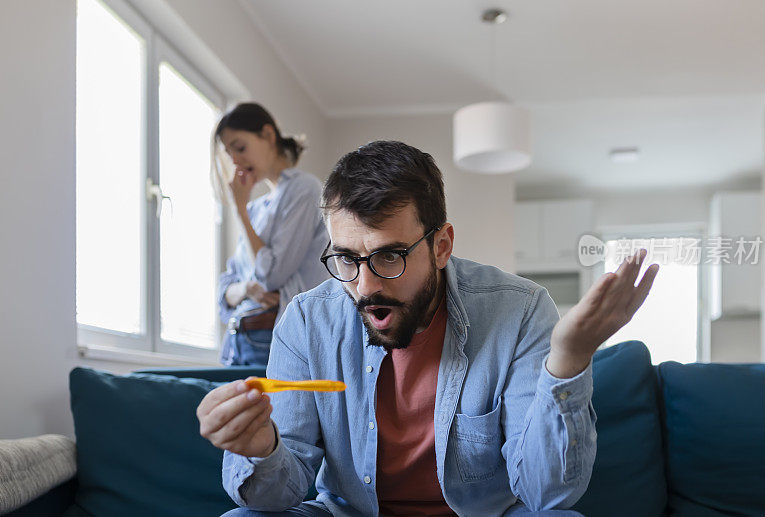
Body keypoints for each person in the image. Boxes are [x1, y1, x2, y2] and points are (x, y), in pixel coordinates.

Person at [197, 141, 659, 515]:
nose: (365, 286)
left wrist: (568, 361)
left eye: (389, 255)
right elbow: (281, 493)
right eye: (346, 259)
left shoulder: (520, 311)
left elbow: (548, 496)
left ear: (441, 246)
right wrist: (262, 448)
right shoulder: (305, 321)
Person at [213, 103, 329, 366]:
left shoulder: (303, 189)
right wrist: (246, 288)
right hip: (237, 341)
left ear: (267, 134)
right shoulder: (257, 208)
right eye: (230, 155)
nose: (236, 161)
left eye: (240, 148)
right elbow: (224, 293)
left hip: (270, 337)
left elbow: (272, 275)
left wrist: (239, 210)